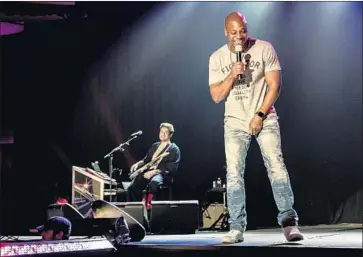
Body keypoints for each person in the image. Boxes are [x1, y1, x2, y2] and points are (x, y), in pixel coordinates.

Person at [208, 12, 304, 243]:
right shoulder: (217, 58)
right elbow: (216, 96)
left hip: (264, 116)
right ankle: (236, 227)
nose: (239, 36)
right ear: (225, 32)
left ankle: (289, 222)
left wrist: (260, 114)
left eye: (243, 31)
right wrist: (232, 74)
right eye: (234, 33)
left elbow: (275, 86)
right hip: (234, 121)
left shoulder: (264, 48)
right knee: (233, 174)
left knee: (276, 166)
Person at [126, 122, 180, 207]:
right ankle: (135, 208)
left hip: (162, 174)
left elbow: (171, 168)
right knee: (132, 187)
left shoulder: (174, 149)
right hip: (149, 172)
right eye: (161, 132)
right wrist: (137, 164)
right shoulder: (155, 146)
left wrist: (154, 172)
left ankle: (152, 210)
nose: (163, 134)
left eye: (166, 132)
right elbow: (146, 159)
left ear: (171, 135)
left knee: (154, 183)